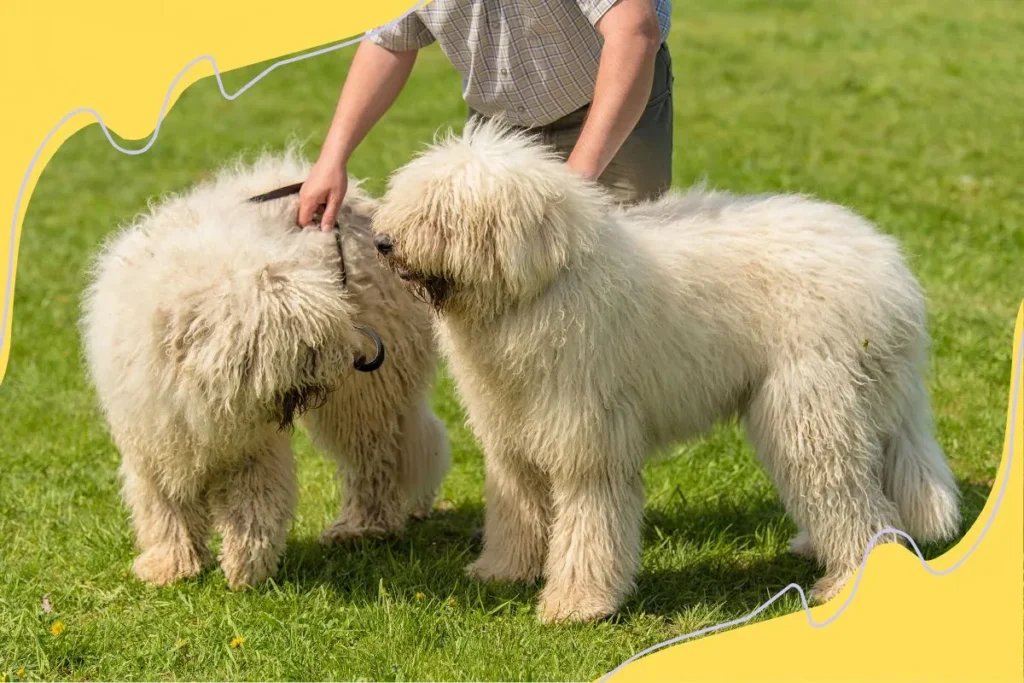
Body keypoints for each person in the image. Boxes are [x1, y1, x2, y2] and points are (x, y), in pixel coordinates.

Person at [298, 0, 674, 231]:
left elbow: (634, 32)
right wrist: (332, 159)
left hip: (610, 109)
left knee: (622, 286)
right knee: (490, 295)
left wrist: (575, 181)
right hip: (499, 126)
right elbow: (389, 41)